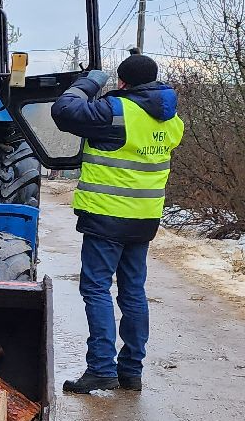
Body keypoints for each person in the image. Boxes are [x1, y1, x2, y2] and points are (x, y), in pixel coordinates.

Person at [50, 53, 185, 394]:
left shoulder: (116, 112)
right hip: (144, 219)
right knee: (133, 292)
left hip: (107, 218)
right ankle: (131, 371)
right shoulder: (172, 121)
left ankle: (101, 368)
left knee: (96, 289)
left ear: (123, 82)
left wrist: (90, 82)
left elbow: (63, 110)